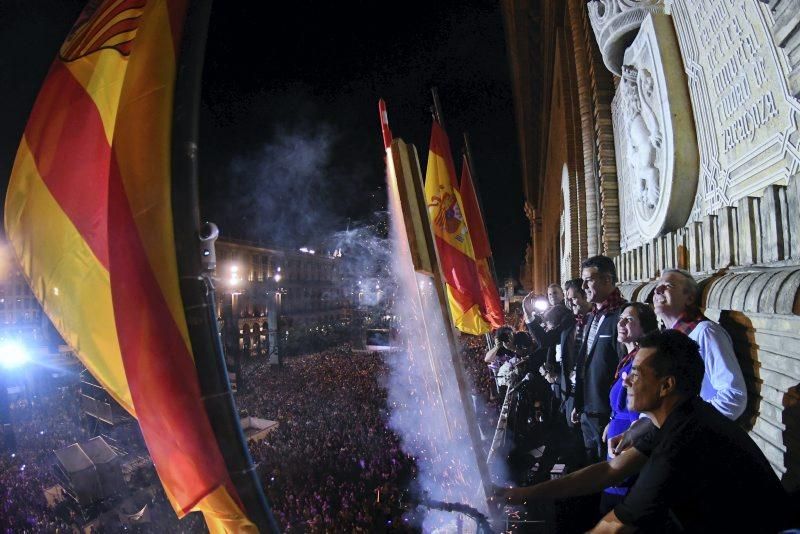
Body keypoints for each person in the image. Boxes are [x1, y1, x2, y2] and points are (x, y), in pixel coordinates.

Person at [494, 330, 791, 533]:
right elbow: (609, 470)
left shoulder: (683, 440)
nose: (625, 382)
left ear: (666, 385)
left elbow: (614, 526)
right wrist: (521, 494)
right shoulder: (672, 418)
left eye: (635, 373)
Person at [654, 268, 747, 420]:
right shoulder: (667, 337)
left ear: (689, 298)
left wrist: (689, 424)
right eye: (658, 285)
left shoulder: (705, 333)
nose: (658, 289)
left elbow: (734, 396)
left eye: (668, 285)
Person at [599, 302, 658, 511]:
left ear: (645, 328)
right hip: (618, 444)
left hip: (628, 451)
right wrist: (611, 422)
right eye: (621, 318)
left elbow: (642, 413)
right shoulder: (628, 359)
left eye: (629, 320)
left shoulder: (643, 362)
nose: (621, 323)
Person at [573, 256, 627, 463]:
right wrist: (579, 403)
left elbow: (625, 368)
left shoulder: (622, 315)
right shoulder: (593, 315)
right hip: (588, 410)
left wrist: (615, 416)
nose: (583, 286)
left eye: (588, 280)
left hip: (607, 414)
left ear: (606, 279)